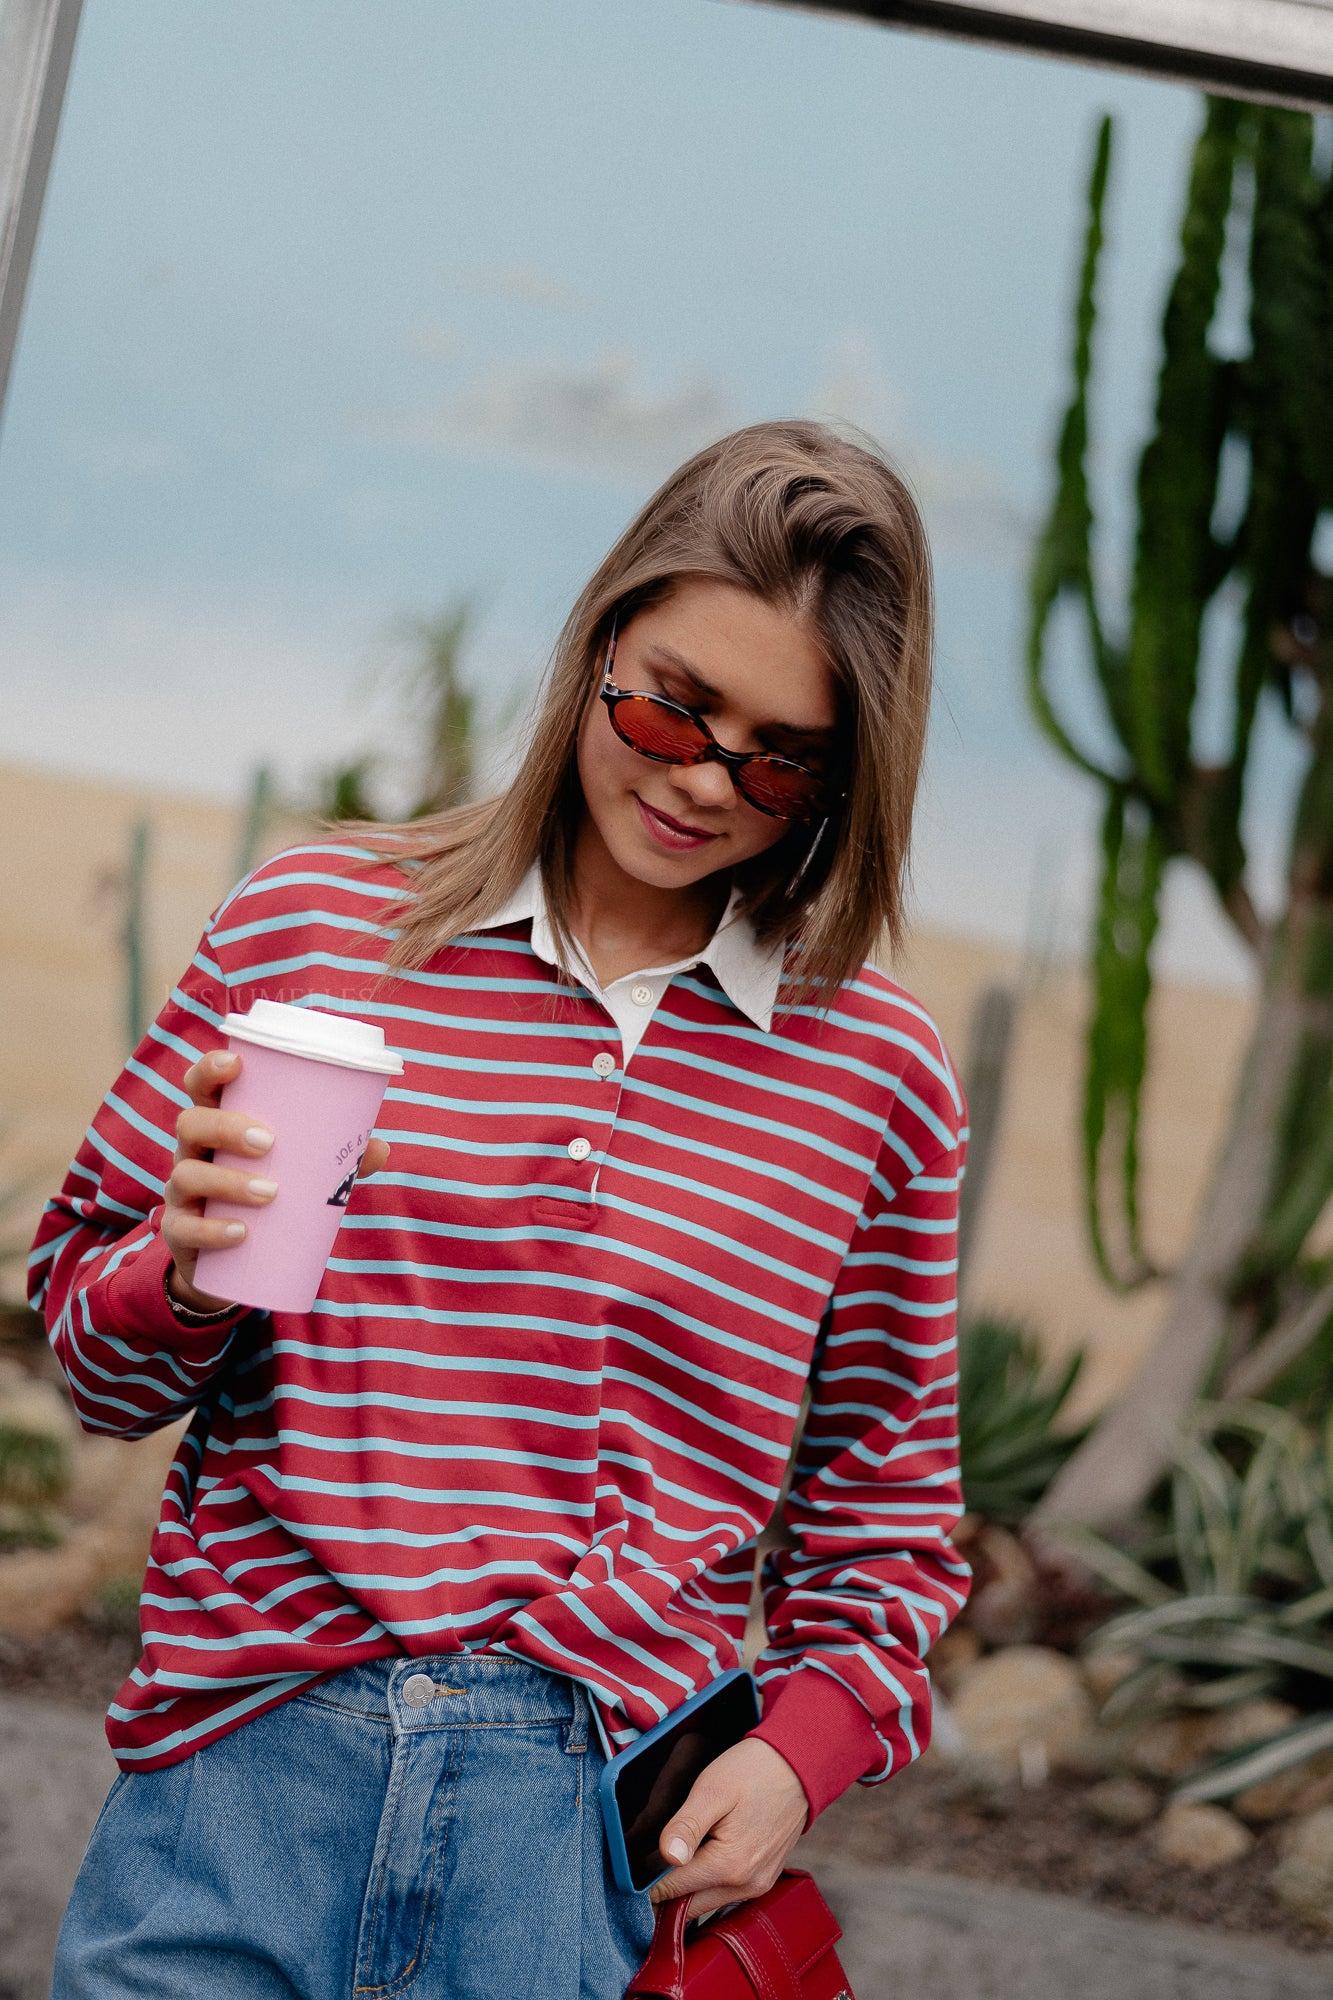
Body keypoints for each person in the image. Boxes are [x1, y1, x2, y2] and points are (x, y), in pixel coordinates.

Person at [31, 420, 970, 1999]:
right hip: (239, 1775)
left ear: (840, 777)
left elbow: (882, 1516)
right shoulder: (316, 927)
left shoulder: (873, 1078)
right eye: (670, 702)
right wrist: (180, 1278)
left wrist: (799, 1757)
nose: (700, 777)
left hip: (565, 1843)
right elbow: (92, 1368)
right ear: (599, 638)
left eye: (777, 752)